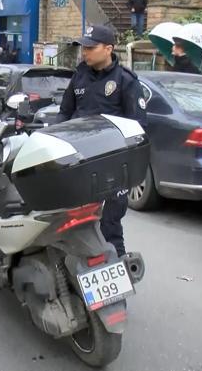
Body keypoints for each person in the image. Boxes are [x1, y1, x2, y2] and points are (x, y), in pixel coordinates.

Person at [57, 25, 147, 257]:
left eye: (90, 47)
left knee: (110, 226)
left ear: (108, 49)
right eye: (83, 47)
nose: (84, 52)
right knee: (69, 223)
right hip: (77, 164)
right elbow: (64, 114)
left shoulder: (126, 81)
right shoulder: (79, 76)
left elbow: (137, 128)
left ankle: (117, 277)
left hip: (111, 169)